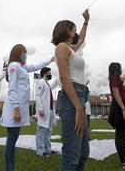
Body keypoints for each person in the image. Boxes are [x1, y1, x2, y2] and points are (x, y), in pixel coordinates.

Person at [0, 44, 54, 171]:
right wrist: (17, 109)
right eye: (24, 52)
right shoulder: (13, 66)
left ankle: (11, 167)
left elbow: (36, 66)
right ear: (19, 53)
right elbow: (12, 89)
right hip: (14, 108)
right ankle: (10, 168)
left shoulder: (22, 67)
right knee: (11, 140)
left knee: (14, 138)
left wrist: (50, 60)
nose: (26, 55)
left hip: (21, 108)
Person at [52, 9, 90, 171]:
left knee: (82, 154)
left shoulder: (70, 48)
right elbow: (64, 78)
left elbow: (81, 39)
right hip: (71, 100)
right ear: (65, 30)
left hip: (79, 97)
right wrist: (79, 107)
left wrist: (86, 21)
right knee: (71, 156)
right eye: (73, 29)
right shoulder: (61, 47)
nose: (75, 32)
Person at [35, 67, 59, 157]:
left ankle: (47, 149)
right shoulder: (40, 82)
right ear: (45, 73)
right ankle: (40, 151)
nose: (50, 74)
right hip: (44, 110)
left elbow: (51, 88)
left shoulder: (47, 84)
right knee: (41, 131)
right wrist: (40, 109)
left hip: (50, 111)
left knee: (48, 131)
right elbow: (38, 96)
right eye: (49, 72)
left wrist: (58, 78)